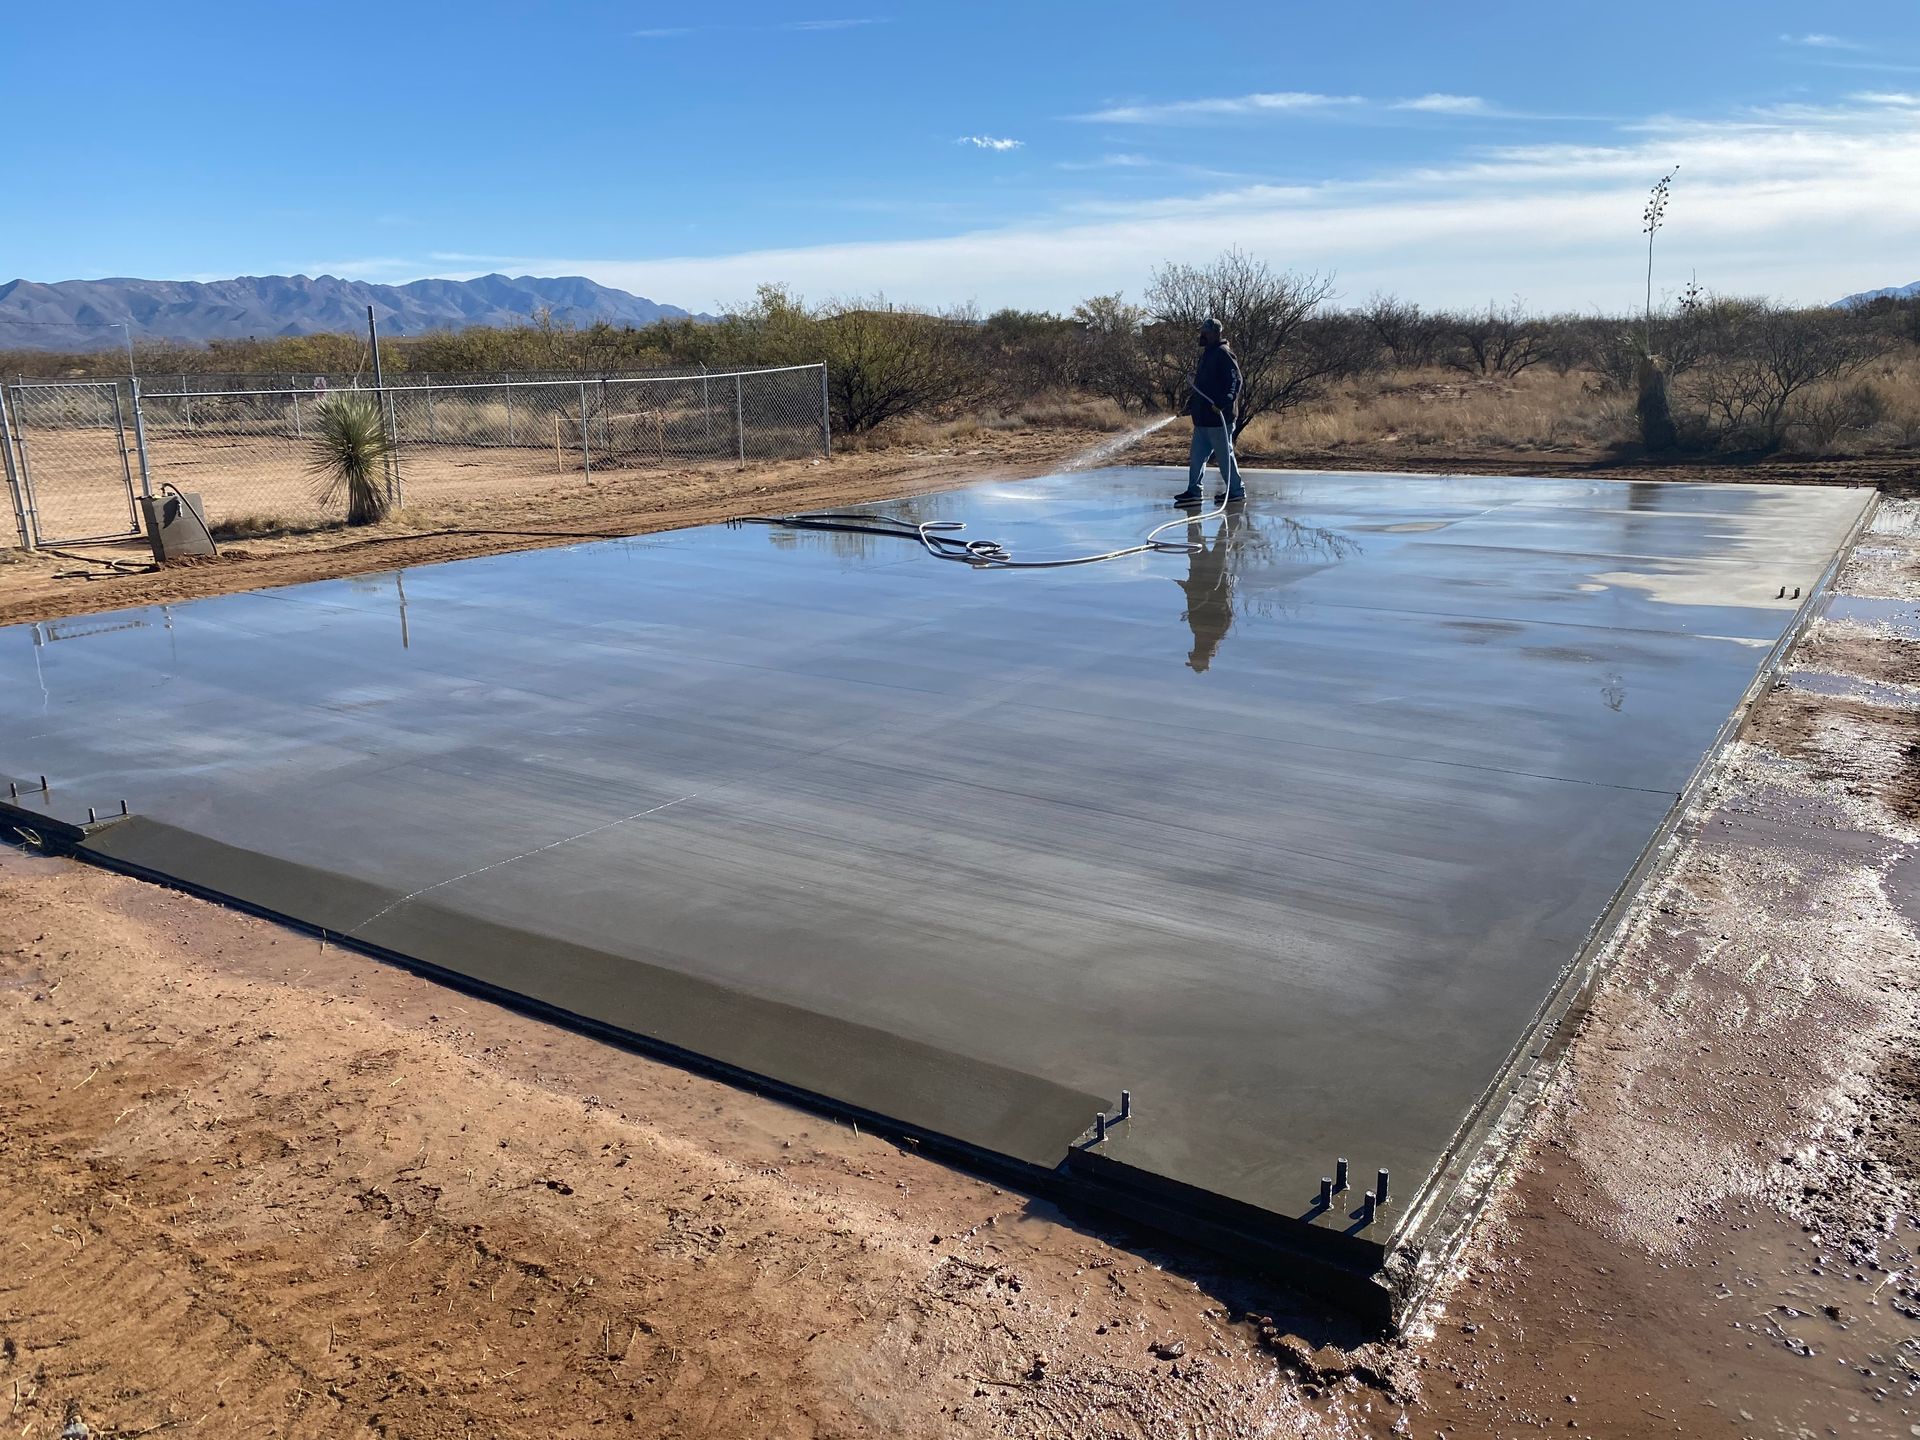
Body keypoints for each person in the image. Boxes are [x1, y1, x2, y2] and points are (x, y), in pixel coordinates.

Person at [1175, 317, 1245, 505]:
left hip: (1218, 419)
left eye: (1205, 332)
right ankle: (1194, 492)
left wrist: (1223, 403)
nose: (1202, 335)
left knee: (1224, 457)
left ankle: (1236, 491)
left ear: (1215, 333)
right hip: (1202, 419)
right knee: (1197, 457)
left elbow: (1235, 381)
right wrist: (1191, 405)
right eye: (1202, 332)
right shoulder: (1208, 353)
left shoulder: (1223, 353)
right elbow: (1201, 386)